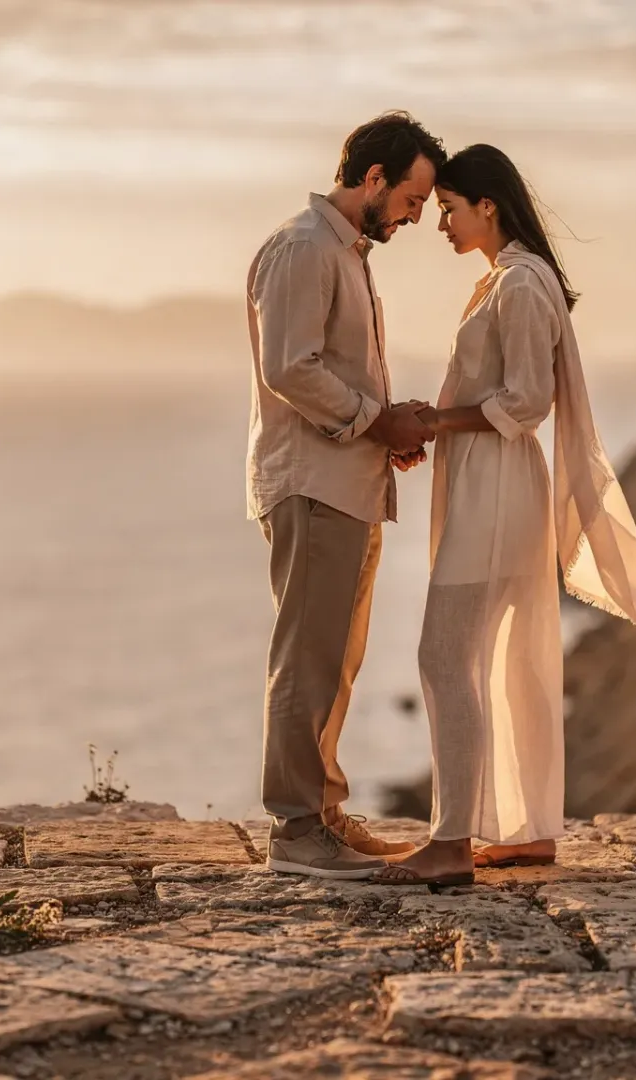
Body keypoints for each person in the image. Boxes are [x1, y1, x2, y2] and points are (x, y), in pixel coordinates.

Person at [374, 144, 636, 887]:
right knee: (505, 659)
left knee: (446, 658)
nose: (441, 224)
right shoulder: (509, 280)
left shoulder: (519, 284)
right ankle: (525, 832)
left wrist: (434, 421)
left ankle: (450, 843)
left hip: (499, 489)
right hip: (495, 485)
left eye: (449, 209)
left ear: (489, 206)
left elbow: (525, 402)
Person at [245, 112, 445, 878]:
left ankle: (322, 813)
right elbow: (288, 368)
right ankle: (297, 832)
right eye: (412, 198)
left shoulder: (345, 252)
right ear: (372, 179)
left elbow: (335, 372)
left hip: (347, 484)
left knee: (338, 658)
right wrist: (376, 420)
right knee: (308, 655)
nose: (416, 215)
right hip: (312, 484)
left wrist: (383, 431)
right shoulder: (303, 247)